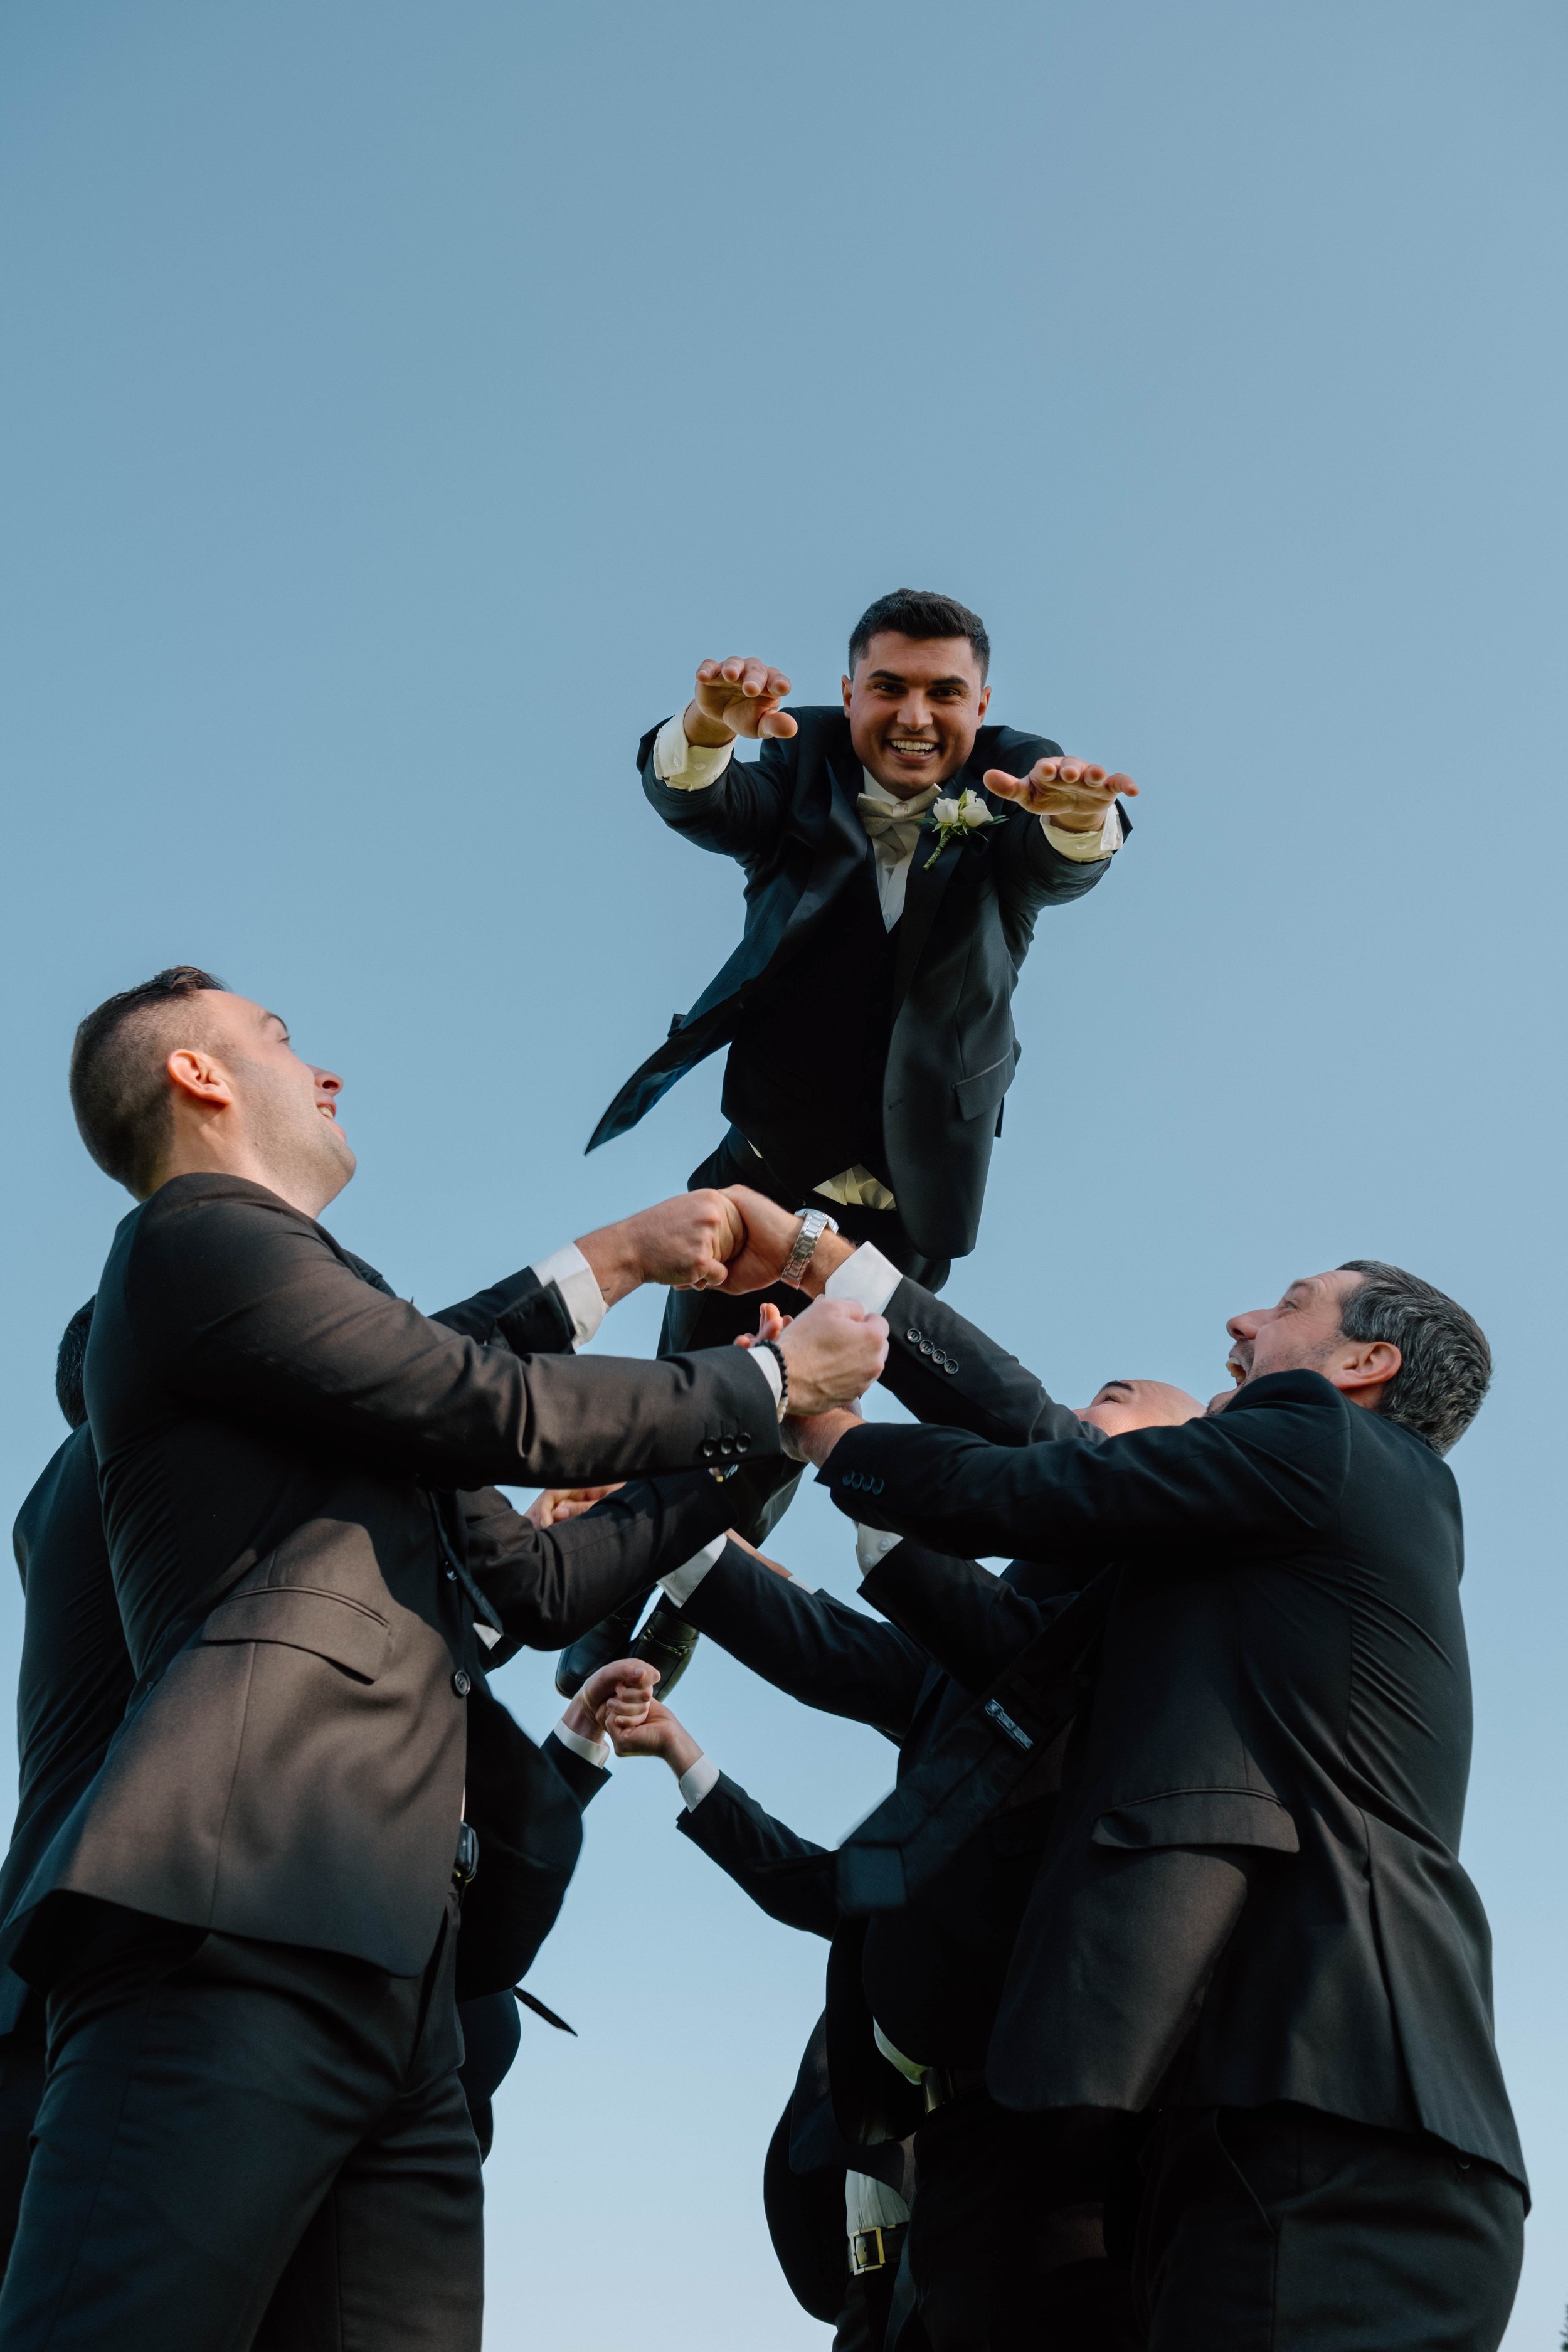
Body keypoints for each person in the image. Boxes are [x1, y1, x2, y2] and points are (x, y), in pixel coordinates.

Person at [0, 966, 887, 2352]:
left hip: (404, 1982)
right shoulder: (190, 1236)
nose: (327, 1073)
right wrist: (768, 1378)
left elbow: (536, 1580)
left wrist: (747, 1415)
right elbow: (468, 1397)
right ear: (199, 1077)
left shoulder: (324, 1368)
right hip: (227, 1914)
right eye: (282, 1041)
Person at [793, 1261, 1527, 2352]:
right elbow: (1067, 1499)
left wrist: (834, 1436)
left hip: (1343, 2115)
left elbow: (1060, 1486)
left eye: (1288, 1303)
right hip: (1238, 2123)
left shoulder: (1327, 1444)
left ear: (1365, 1364)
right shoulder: (1247, 1557)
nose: (1238, 1319)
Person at [569, 1365, 1202, 2351]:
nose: (1079, 1410)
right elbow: (835, 1649)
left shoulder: (1165, 1603)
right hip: (955, 2158)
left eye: (1115, 1398)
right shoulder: (995, 1638)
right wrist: (654, 1523)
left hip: (1075, 2132)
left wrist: (838, 1432)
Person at [588, 586, 1136, 1348]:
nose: (915, 718)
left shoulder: (1017, 785)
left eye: (944, 693)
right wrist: (706, 729)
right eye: (888, 688)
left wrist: (1081, 822)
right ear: (849, 695)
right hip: (757, 1178)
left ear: (981, 705)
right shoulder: (801, 759)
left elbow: (1054, 863)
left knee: (803, 1423)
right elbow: (707, 805)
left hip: (909, 1209)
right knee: (689, 1402)